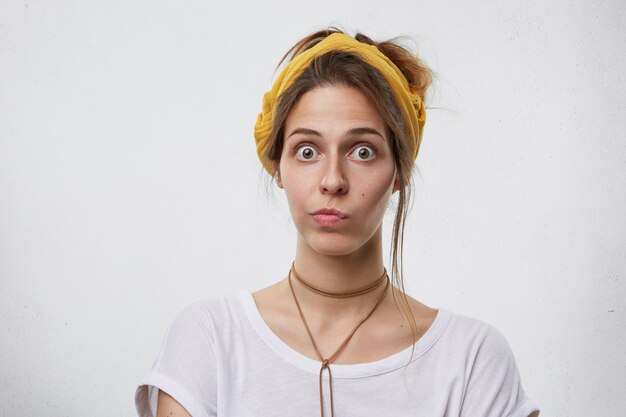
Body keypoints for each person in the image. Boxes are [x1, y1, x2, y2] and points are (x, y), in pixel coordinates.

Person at [135, 28, 540, 417]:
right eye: (307, 150)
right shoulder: (209, 339)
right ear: (278, 167)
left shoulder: (472, 360)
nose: (332, 180)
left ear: (399, 171)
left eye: (362, 151)